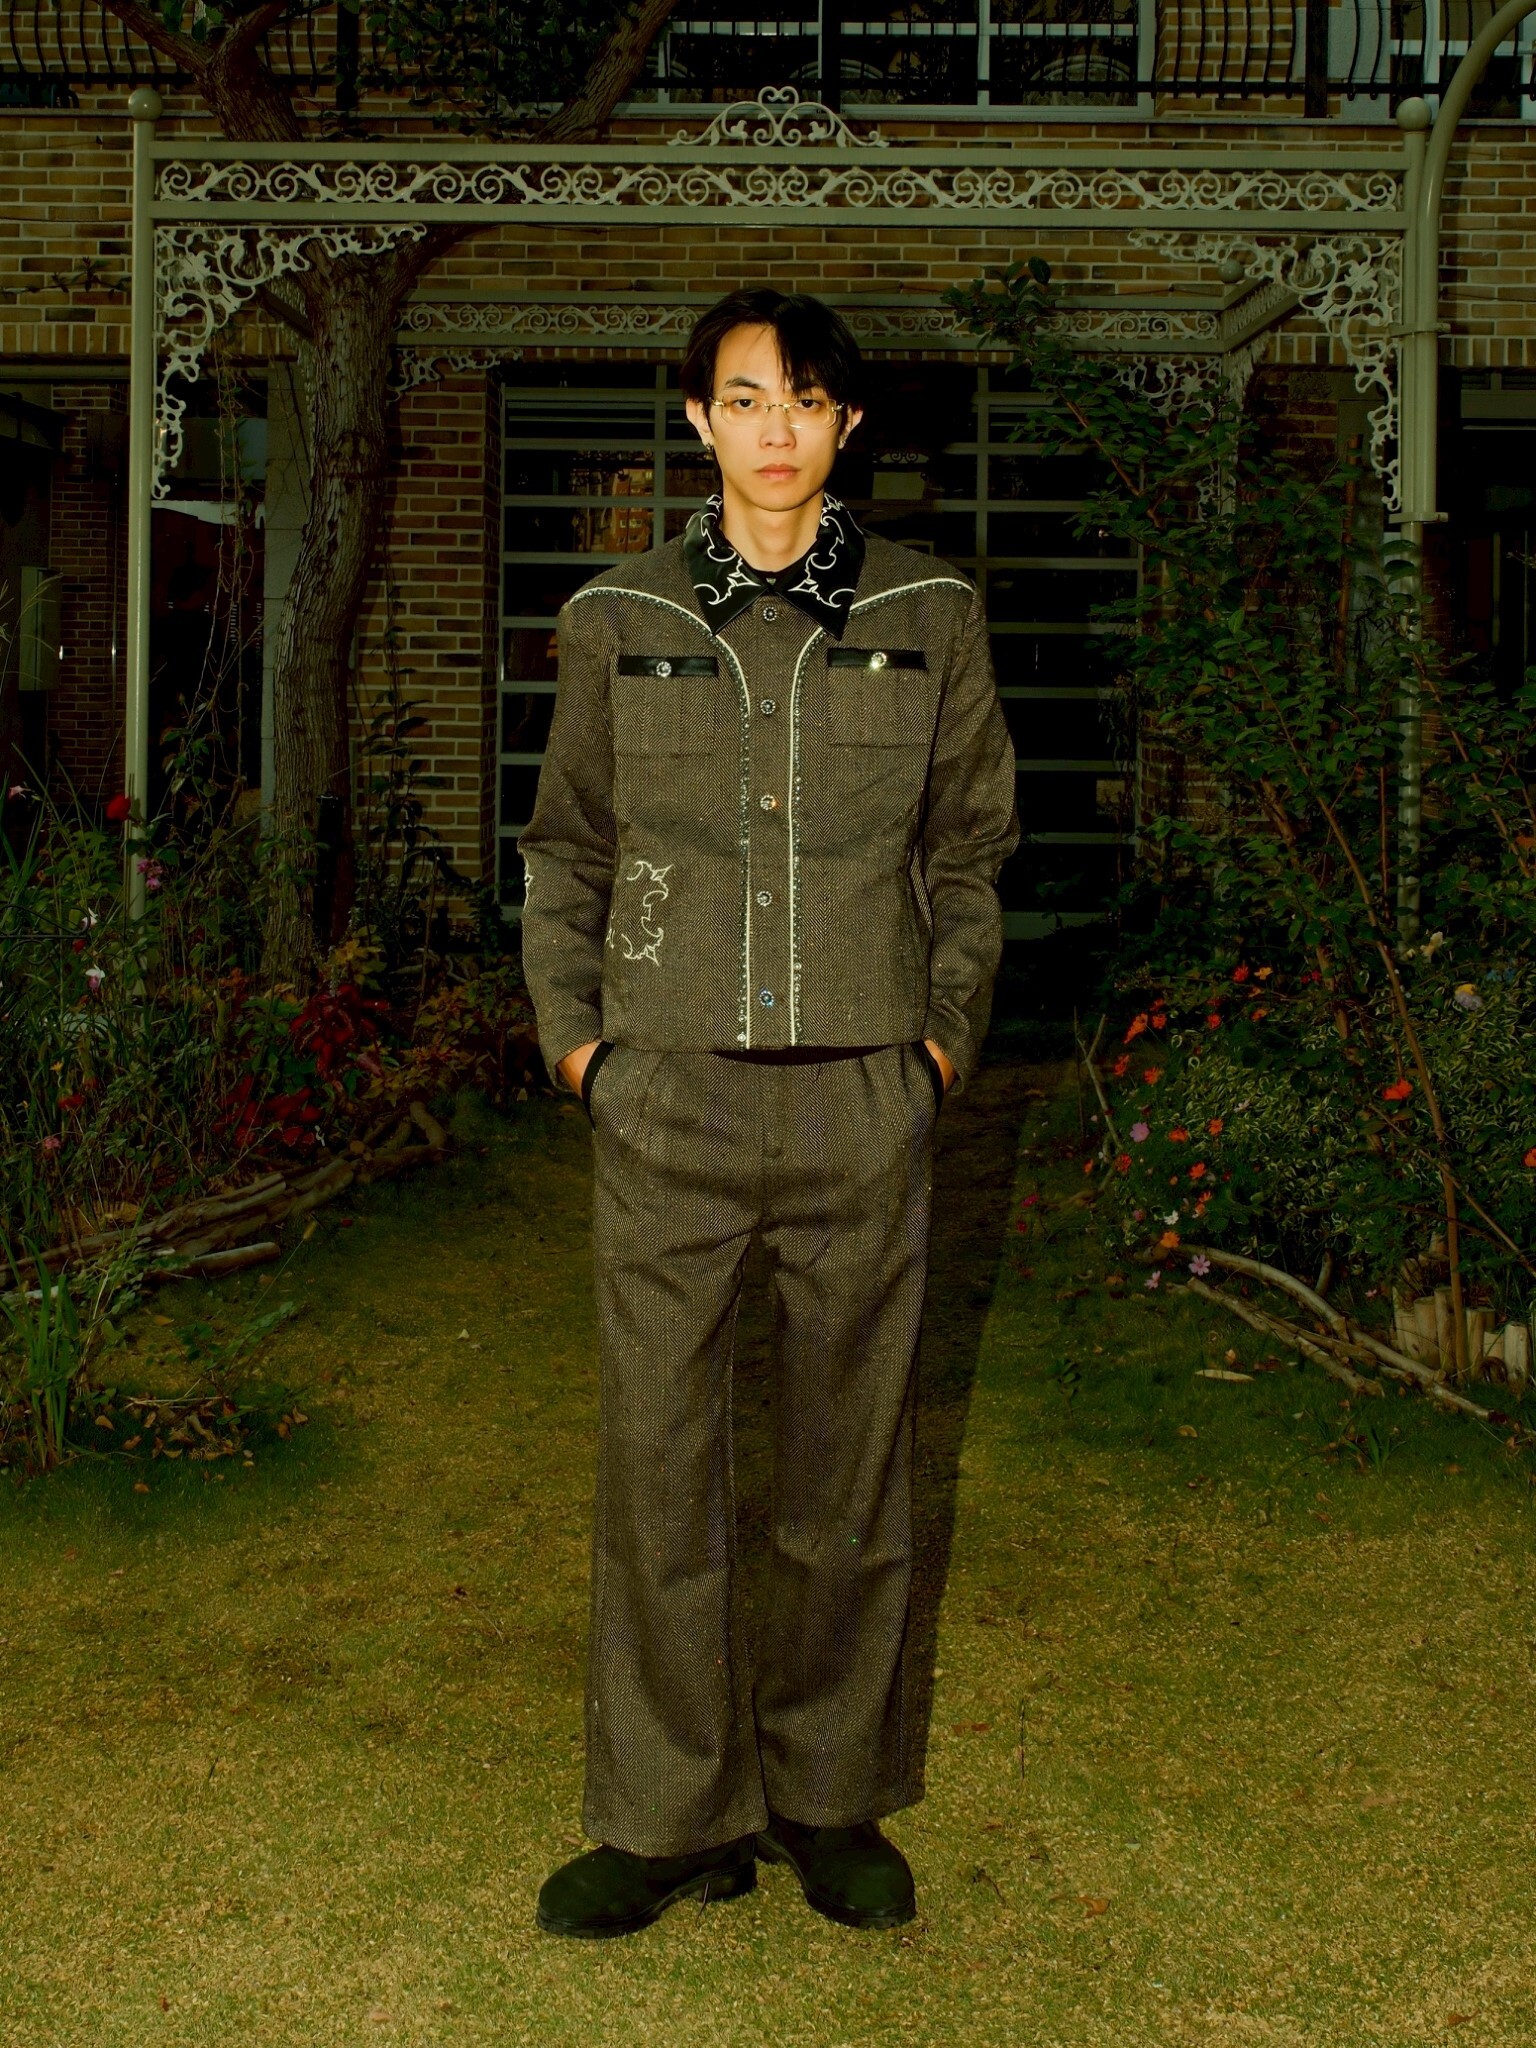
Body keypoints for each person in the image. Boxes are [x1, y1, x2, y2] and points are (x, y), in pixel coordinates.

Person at [518, 288, 1019, 1940]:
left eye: (805, 398)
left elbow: (970, 851)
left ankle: (825, 1799)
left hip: (865, 1102)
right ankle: (667, 1821)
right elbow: (569, 849)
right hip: (667, 1102)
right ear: (699, 422)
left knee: (848, 1475)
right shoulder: (618, 613)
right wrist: (584, 1052)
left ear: (847, 425)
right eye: (744, 398)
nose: (776, 427)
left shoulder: (930, 612)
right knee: (659, 1470)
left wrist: (936, 1052)